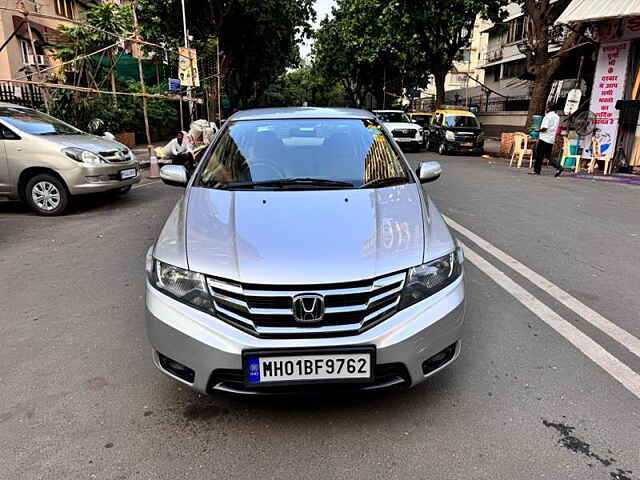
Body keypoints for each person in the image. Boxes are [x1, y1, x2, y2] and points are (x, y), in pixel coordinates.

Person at [532, 103, 563, 177]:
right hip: (551, 138)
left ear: (549, 108)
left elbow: (544, 128)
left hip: (544, 138)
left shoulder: (548, 116)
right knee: (548, 155)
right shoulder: (557, 117)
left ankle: (537, 170)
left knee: (539, 155)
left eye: (547, 107)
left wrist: (537, 130)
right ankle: (558, 166)